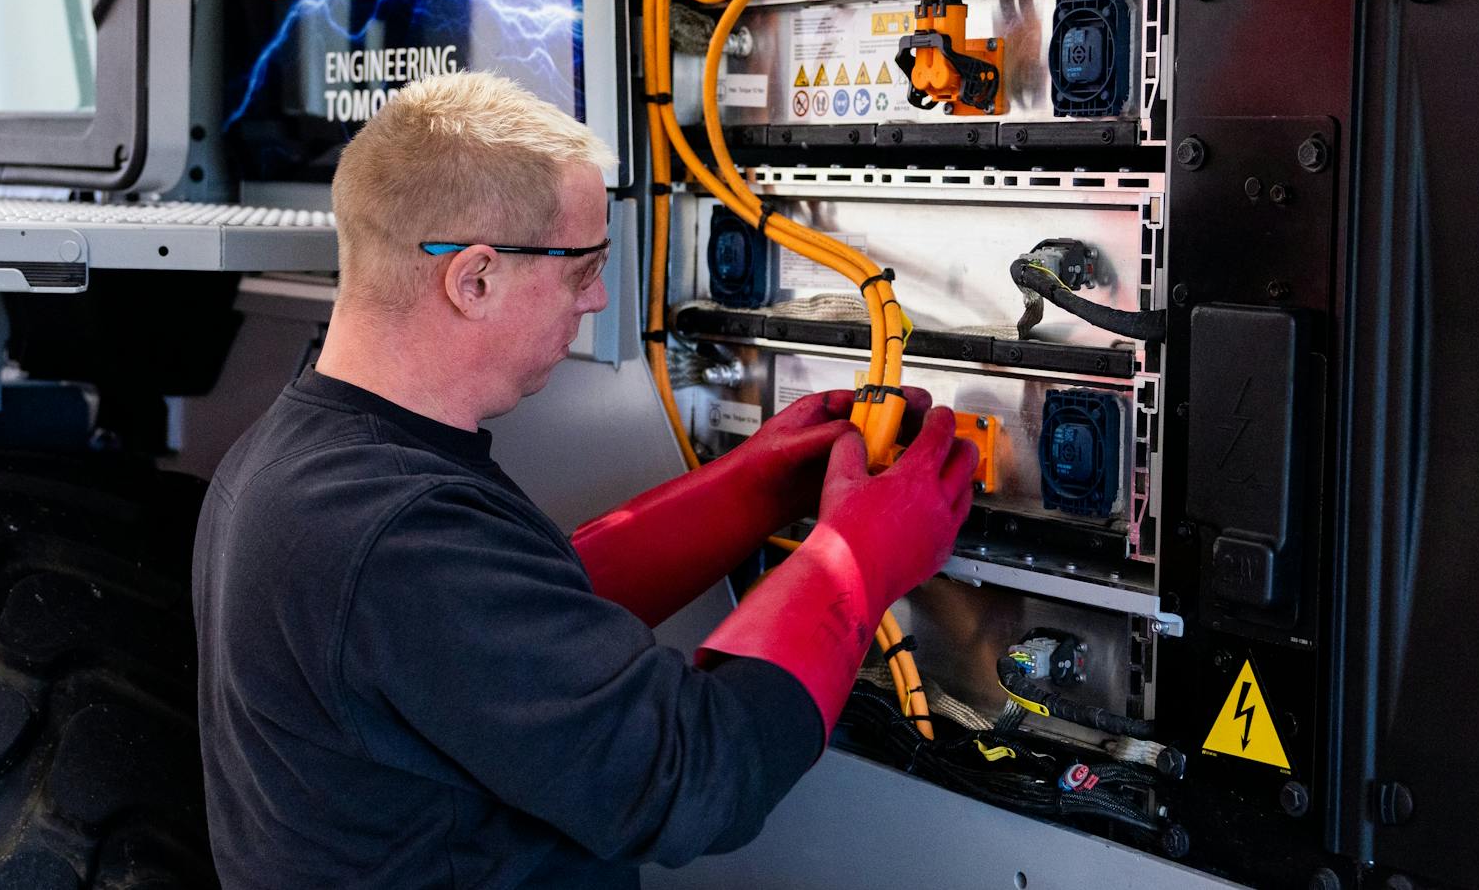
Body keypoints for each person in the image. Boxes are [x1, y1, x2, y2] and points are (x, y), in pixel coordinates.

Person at [193, 71, 977, 888]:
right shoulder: (396, 529)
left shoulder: (305, 457)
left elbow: (512, 625)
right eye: (580, 269)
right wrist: (856, 562)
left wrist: (753, 490)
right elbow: (692, 776)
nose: (599, 299)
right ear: (475, 279)